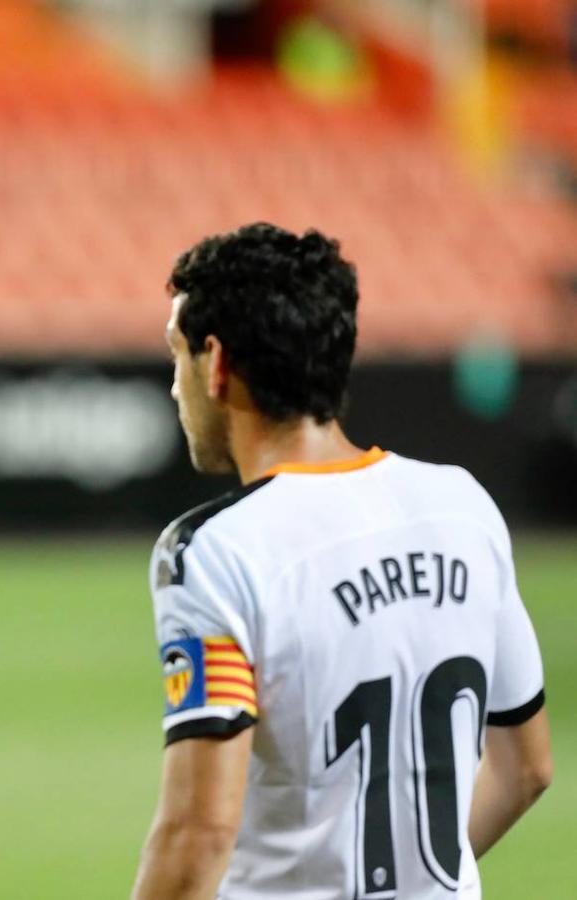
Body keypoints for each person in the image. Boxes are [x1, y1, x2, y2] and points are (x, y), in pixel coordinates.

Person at [130, 223, 551, 900]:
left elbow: (198, 834)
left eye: (175, 357)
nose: (175, 390)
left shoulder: (214, 551)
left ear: (215, 363)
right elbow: (526, 767)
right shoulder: (461, 506)